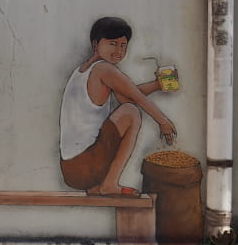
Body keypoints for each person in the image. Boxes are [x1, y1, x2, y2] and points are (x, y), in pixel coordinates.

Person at [59, 16, 177, 196]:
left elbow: (127, 95)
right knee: (131, 113)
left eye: (123, 45)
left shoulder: (84, 70)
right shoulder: (104, 69)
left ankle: (99, 186)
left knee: (128, 108)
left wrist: (157, 85)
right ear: (95, 44)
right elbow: (135, 98)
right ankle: (110, 184)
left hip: (72, 170)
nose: (119, 51)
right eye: (113, 44)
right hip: (85, 164)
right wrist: (163, 121)